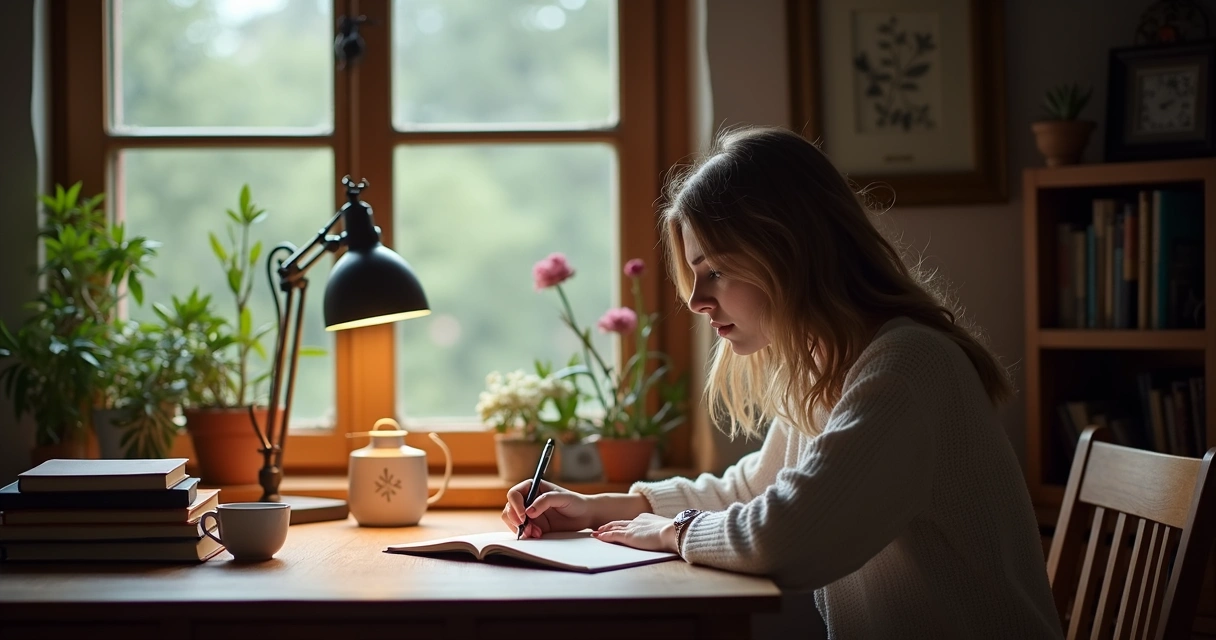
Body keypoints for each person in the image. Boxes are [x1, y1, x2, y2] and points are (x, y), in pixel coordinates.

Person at [502, 125, 1062, 638]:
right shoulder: (832, 365)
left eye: (714, 270)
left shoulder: (906, 368)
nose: (696, 301)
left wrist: (671, 532)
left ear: (788, 251)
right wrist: (605, 507)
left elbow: (784, 537)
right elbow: (755, 490)